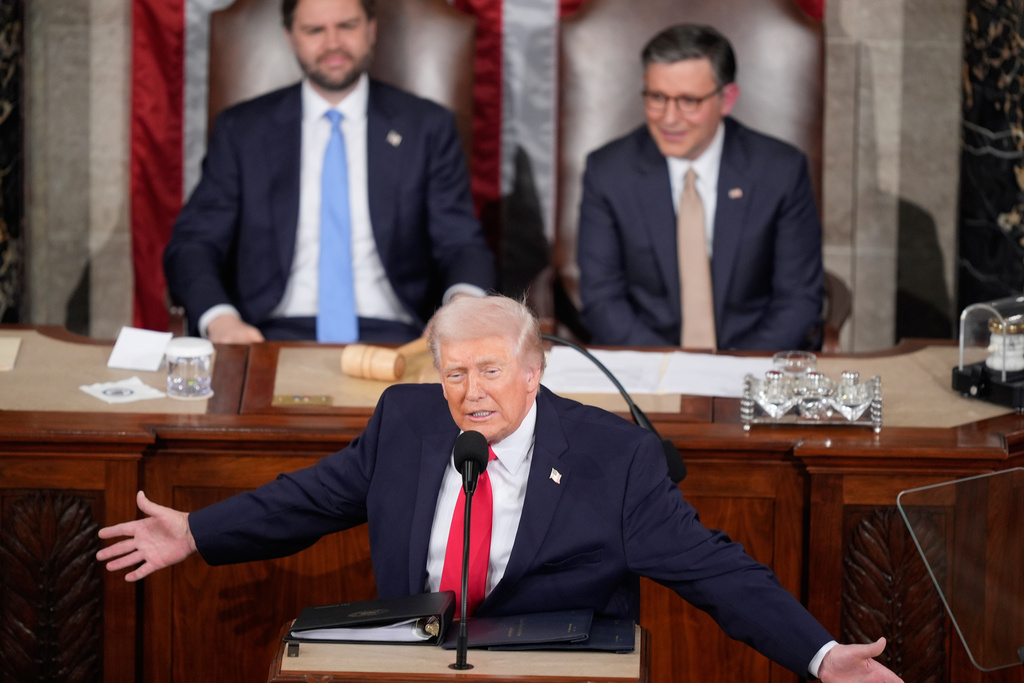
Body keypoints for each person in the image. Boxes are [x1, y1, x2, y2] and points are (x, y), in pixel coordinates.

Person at [98, 294, 902, 682]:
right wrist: (199, 531)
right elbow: (310, 497)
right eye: (455, 372)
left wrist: (822, 655)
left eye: (490, 370)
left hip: (549, 670)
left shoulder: (612, 459)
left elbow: (714, 567)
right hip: (414, 661)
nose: (471, 391)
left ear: (532, 370)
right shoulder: (408, 419)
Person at [163, 0, 495, 344]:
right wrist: (221, 320)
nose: (333, 43)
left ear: (371, 29)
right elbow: (193, 244)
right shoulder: (242, 131)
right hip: (266, 335)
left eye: (347, 26)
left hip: (399, 338)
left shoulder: (427, 127)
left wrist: (462, 310)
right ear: (290, 37)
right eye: (314, 30)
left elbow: (461, 244)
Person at [576, 24, 824, 350]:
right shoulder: (608, 171)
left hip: (754, 363)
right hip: (646, 364)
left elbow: (798, 298)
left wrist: (734, 370)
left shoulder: (780, 170)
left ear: (726, 99)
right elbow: (602, 297)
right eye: (657, 97)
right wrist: (669, 366)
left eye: (689, 101)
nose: (669, 118)